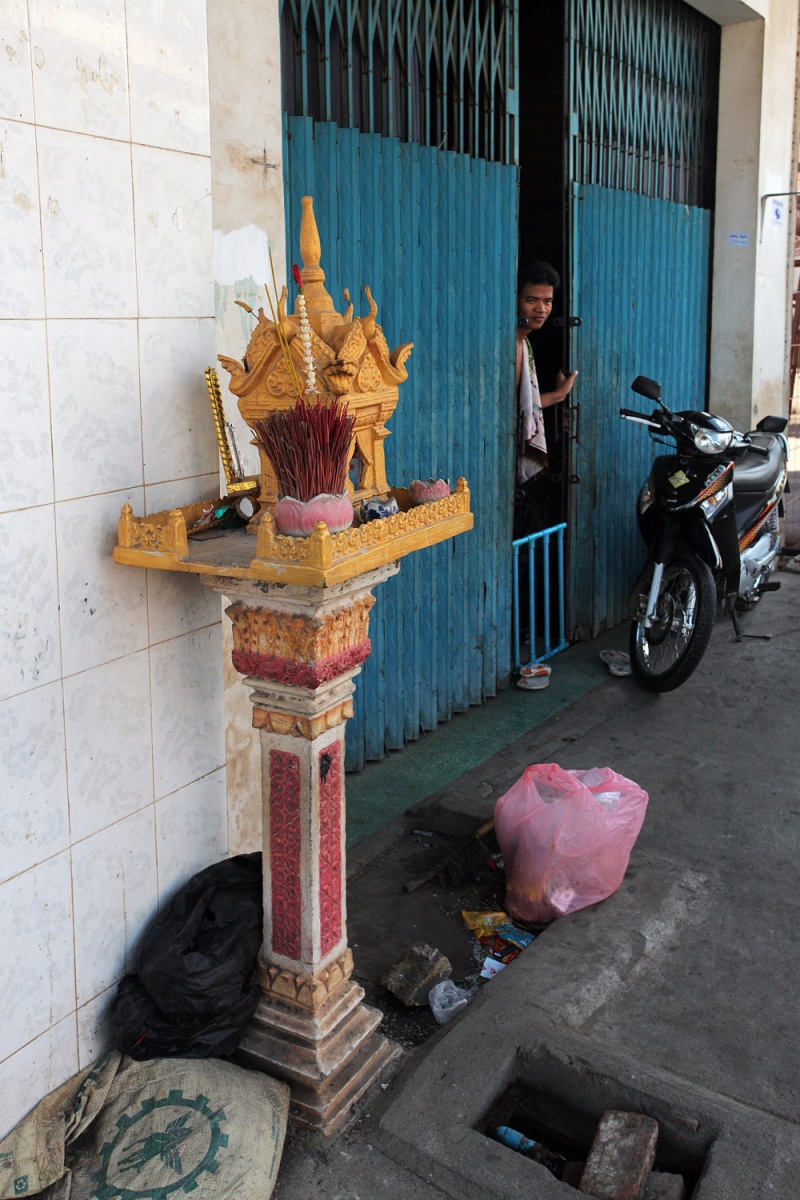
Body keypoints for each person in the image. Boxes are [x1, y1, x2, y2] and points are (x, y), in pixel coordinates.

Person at [514, 260, 578, 539]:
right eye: (532, 300)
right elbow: (516, 409)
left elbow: (526, 405)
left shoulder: (524, 341)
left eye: (548, 301)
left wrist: (560, 395)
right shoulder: (515, 344)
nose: (541, 309)